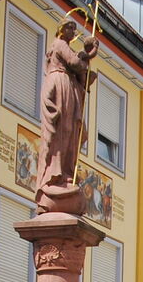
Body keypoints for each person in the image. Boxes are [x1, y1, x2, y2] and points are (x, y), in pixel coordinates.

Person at [35, 19, 99, 214]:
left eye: (74, 28)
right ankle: (56, 174)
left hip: (67, 87)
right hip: (60, 87)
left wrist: (85, 57)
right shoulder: (59, 44)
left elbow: (78, 67)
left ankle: (65, 174)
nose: (72, 31)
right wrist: (90, 54)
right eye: (69, 27)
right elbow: (74, 63)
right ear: (61, 30)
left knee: (71, 133)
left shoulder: (65, 49)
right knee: (63, 131)